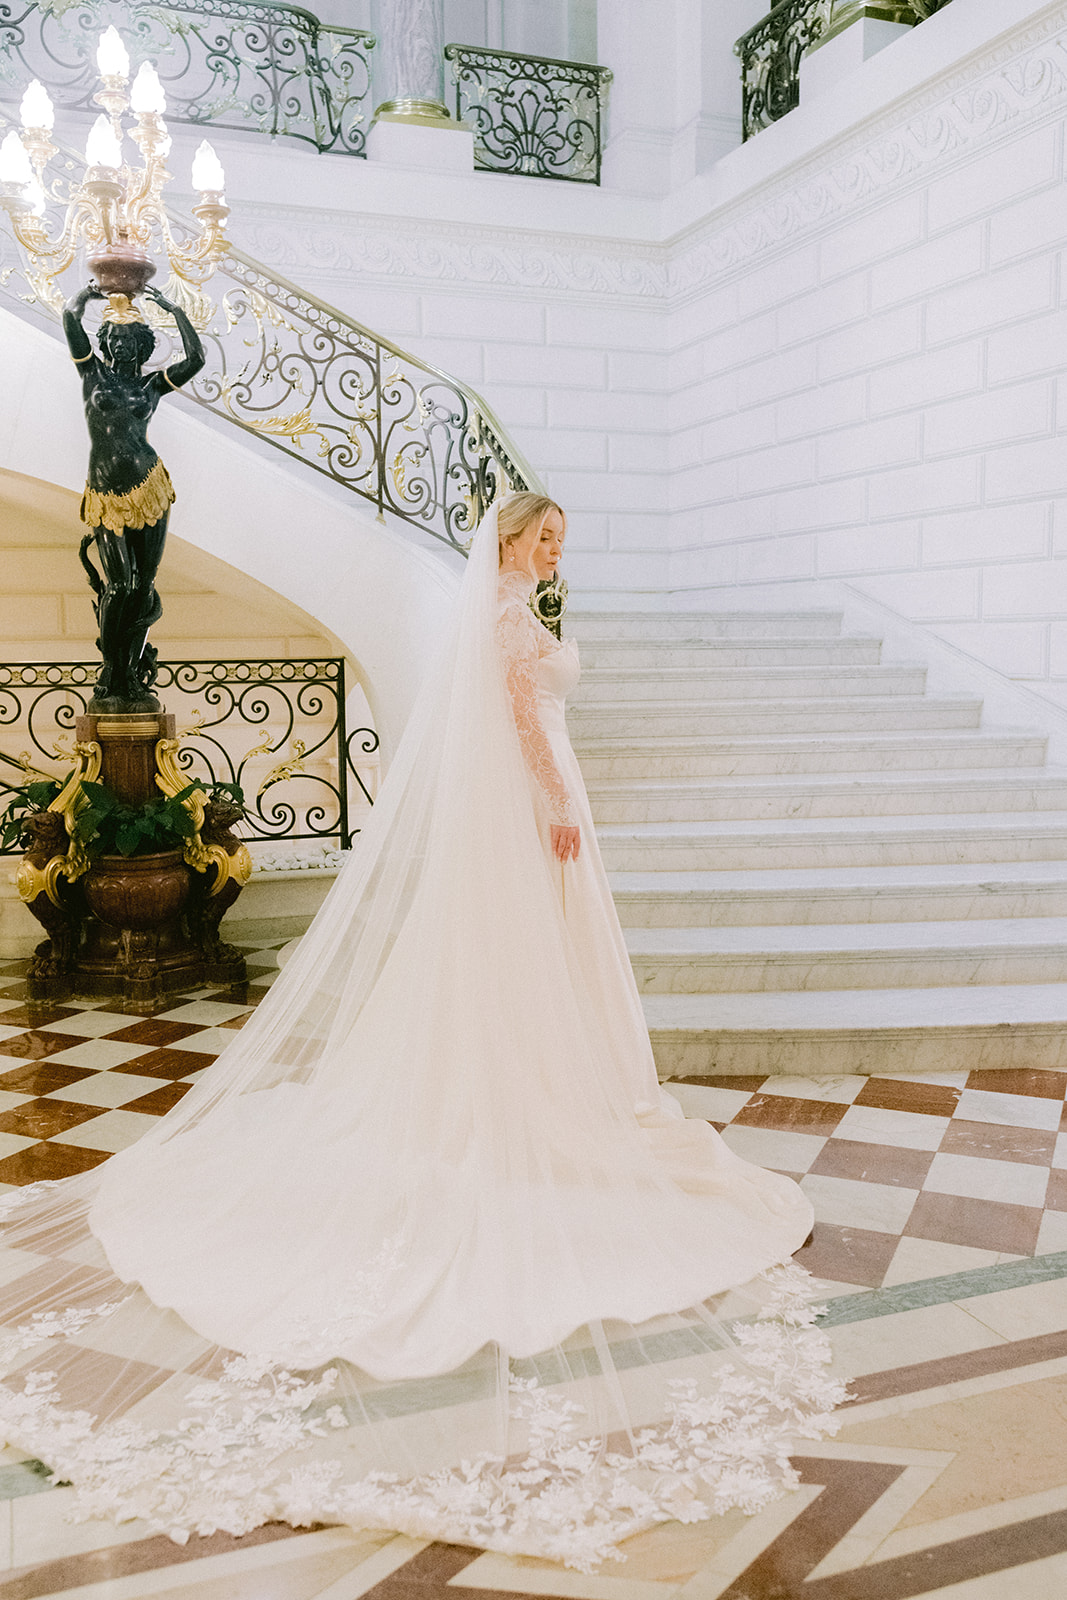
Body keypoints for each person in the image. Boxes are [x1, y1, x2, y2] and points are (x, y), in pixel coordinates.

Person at [0, 494, 842, 1570]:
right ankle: (517, 1102)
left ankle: (538, 1089)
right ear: (506, 540)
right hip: (535, 808)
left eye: (558, 546)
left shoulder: (503, 609)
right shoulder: (500, 618)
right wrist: (553, 808)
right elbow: (527, 723)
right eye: (541, 540)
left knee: (527, 965)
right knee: (522, 960)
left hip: (534, 805)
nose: (549, 556)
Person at [63, 281, 205, 709]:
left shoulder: (153, 386)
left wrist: (172, 308)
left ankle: (131, 672)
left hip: (150, 487)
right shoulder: (92, 372)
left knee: (143, 586)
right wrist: (89, 294)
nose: (123, 347)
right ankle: (111, 666)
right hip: (106, 492)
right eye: (115, 340)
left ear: (143, 347)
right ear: (105, 343)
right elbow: (70, 318)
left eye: (131, 341)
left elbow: (196, 358)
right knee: (119, 584)